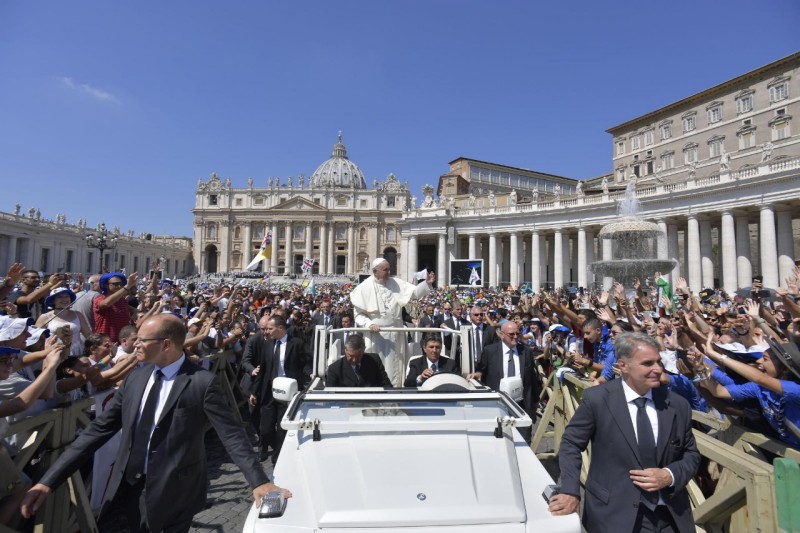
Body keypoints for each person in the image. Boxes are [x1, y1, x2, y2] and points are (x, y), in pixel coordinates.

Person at [20, 314, 291, 533]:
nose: (134, 345)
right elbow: (98, 430)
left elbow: (231, 435)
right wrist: (49, 481)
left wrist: (258, 481)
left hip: (178, 488)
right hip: (132, 486)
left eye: (142, 340)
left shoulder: (202, 382)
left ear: (166, 345)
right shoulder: (136, 378)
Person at [550, 332, 699, 533]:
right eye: (648, 363)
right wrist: (570, 489)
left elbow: (691, 454)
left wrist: (669, 475)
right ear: (623, 365)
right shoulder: (598, 399)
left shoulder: (678, 404)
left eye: (658, 362)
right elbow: (571, 443)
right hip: (614, 515)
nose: (658, 369)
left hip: (670, 515)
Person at [349, 258, 435, 386]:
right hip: (377, 335)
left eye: (389, 269)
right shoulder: (363, 288)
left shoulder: (396, 282)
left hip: (397, 333)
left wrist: (426, 283)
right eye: (385, 270)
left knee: (398, 367)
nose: (389, 272)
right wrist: (369, 324)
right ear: (375, 271)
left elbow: (414, 294)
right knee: (378, 367)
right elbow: (359, 315)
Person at [248, 315, 309, 461]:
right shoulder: (268, 344)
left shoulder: (296, 344)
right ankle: (274, 447)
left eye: (270, 328)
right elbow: (263, 369)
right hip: (269, 390)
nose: (267, 331)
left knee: (283, 427)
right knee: (266, 427)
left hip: (288, 392)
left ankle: (278, 458)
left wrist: (310, 374)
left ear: (280, 328)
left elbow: (305, 364)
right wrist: (254, 392)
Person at [467, 320, 538, 442]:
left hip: (521, 406)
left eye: (517, 333)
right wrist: (477, 375)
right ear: (501, 334)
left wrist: (535, 401)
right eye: (511, 334)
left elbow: (532, 377)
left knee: (523, 442)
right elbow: (482, 371)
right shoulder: (490, 351)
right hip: (497, 405)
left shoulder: (526, 352)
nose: (515, 337)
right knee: (499, 441)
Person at [36, 287, 92, 356]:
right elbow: (35, 339)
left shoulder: (78, 315)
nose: (64, 299)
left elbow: (88, 334)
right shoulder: (44, 317)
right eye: (60, 297)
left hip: (76, 354)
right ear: (53, 301)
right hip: (54, 355)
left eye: (67, 296)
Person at [326, 334, 392, 388]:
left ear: (364, 350)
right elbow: (330, 395)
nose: (354, 360)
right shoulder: (334, 369)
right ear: (345, 350)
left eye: (358, 356)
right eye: (351, 356)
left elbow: (386, 385)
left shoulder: (375, 361)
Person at [94, 272, 138, 343]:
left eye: (121, 284)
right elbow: (106, 303)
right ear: (106, 285)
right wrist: (127, 287)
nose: (119, 286)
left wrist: (135, 312)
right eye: (116, 284)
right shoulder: (100, 298)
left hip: (122, 342)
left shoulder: (122, 300)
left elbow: (134, 310)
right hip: (105, 343)